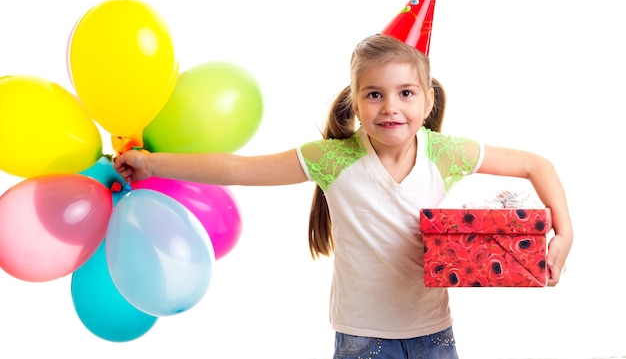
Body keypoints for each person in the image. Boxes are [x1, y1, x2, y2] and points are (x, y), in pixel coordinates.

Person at [114, 34, 573, 359]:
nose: (391, 106)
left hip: (435, 334)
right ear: (354, 102)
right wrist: (153, 164)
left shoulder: (446, 153)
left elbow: (537, 166)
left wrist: (563, 235)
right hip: (361, 340)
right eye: (374, 94)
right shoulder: (332, 159)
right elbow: (239, 169)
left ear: (427, 101)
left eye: (405, 93)